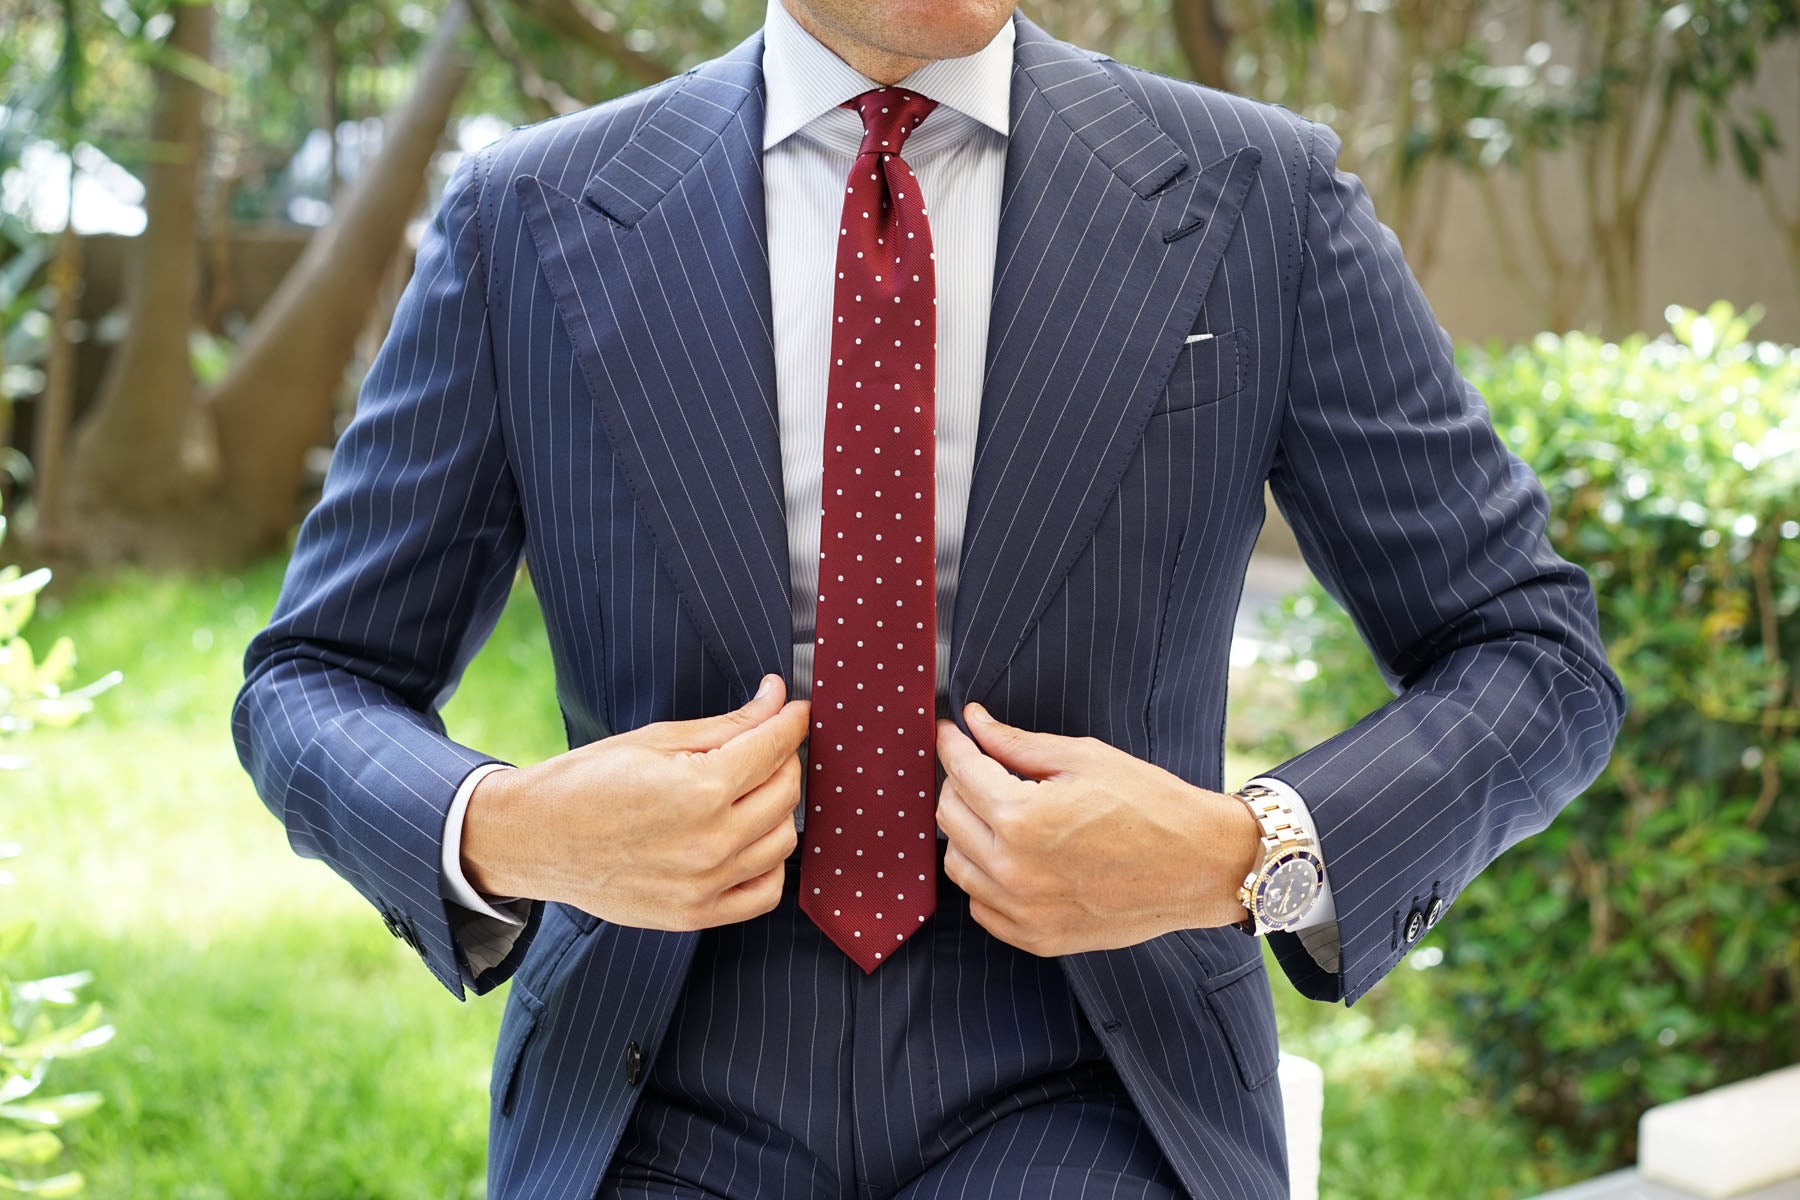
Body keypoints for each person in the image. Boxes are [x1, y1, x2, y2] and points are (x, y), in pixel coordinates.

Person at [233, 1, 1624, 1196]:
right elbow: (313, 681)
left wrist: (1238, 855)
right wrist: (514, 830)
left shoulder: (1259, 199)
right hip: (650, 1090)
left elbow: (1532, 655)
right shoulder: (523, 220)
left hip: (1098, 1082)